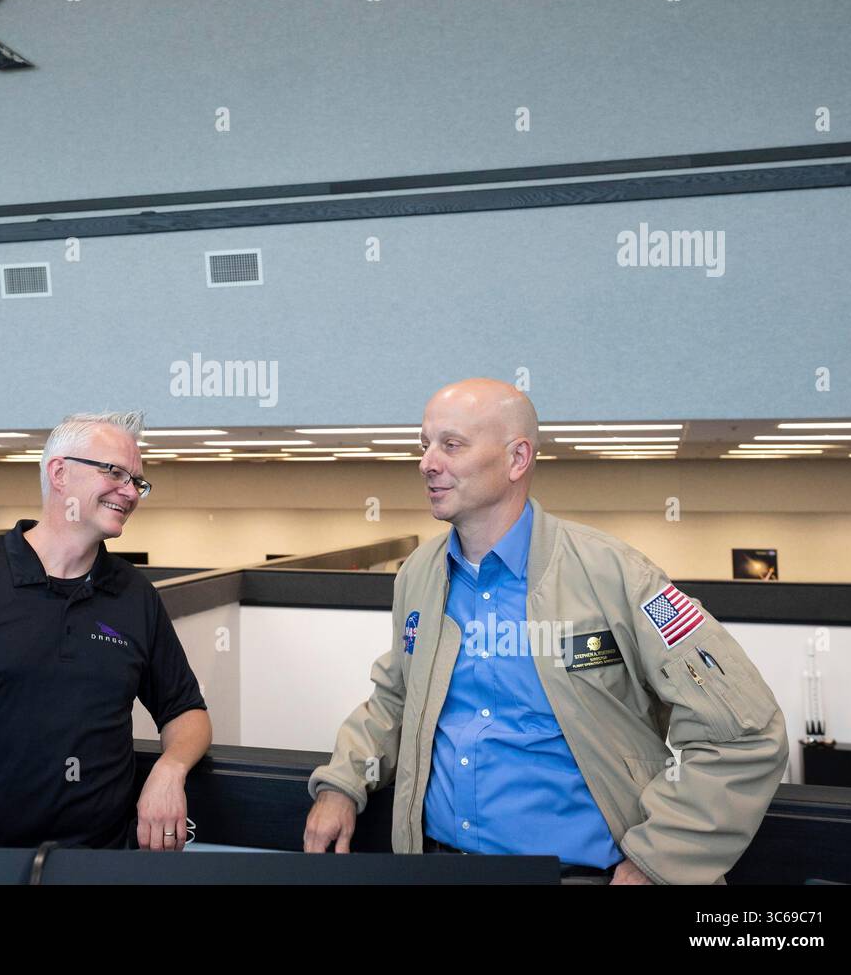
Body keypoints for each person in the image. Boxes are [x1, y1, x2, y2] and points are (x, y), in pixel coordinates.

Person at [304, 379, 789, 884]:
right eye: (423, 444)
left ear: (518, 459)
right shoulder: (418, 576)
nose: (427, 462)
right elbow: (396, 701)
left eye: (451, 445)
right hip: (436, 864)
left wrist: (658, 862)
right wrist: (344, 781)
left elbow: (744, 734)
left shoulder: (618, 576)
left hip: (581, 874)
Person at [0, 411, 212, 850]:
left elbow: (187, 713)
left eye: (137, 481)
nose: (130, 491)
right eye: (116, 472)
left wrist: (170, 769)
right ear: (60, 473)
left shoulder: (135, 595)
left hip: (99, 862)